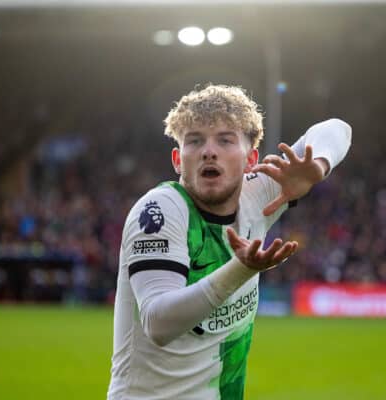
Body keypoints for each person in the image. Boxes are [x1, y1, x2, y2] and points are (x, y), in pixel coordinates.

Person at [108, 84, 351, 399]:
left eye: (225, 140)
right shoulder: (160, 210)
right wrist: (241, 269)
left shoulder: (258, 195)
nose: (209, 150)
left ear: (251, 158)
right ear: (178, 160)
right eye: (195, 141)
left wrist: (317, 166)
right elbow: (158, 323)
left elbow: (337, 129)